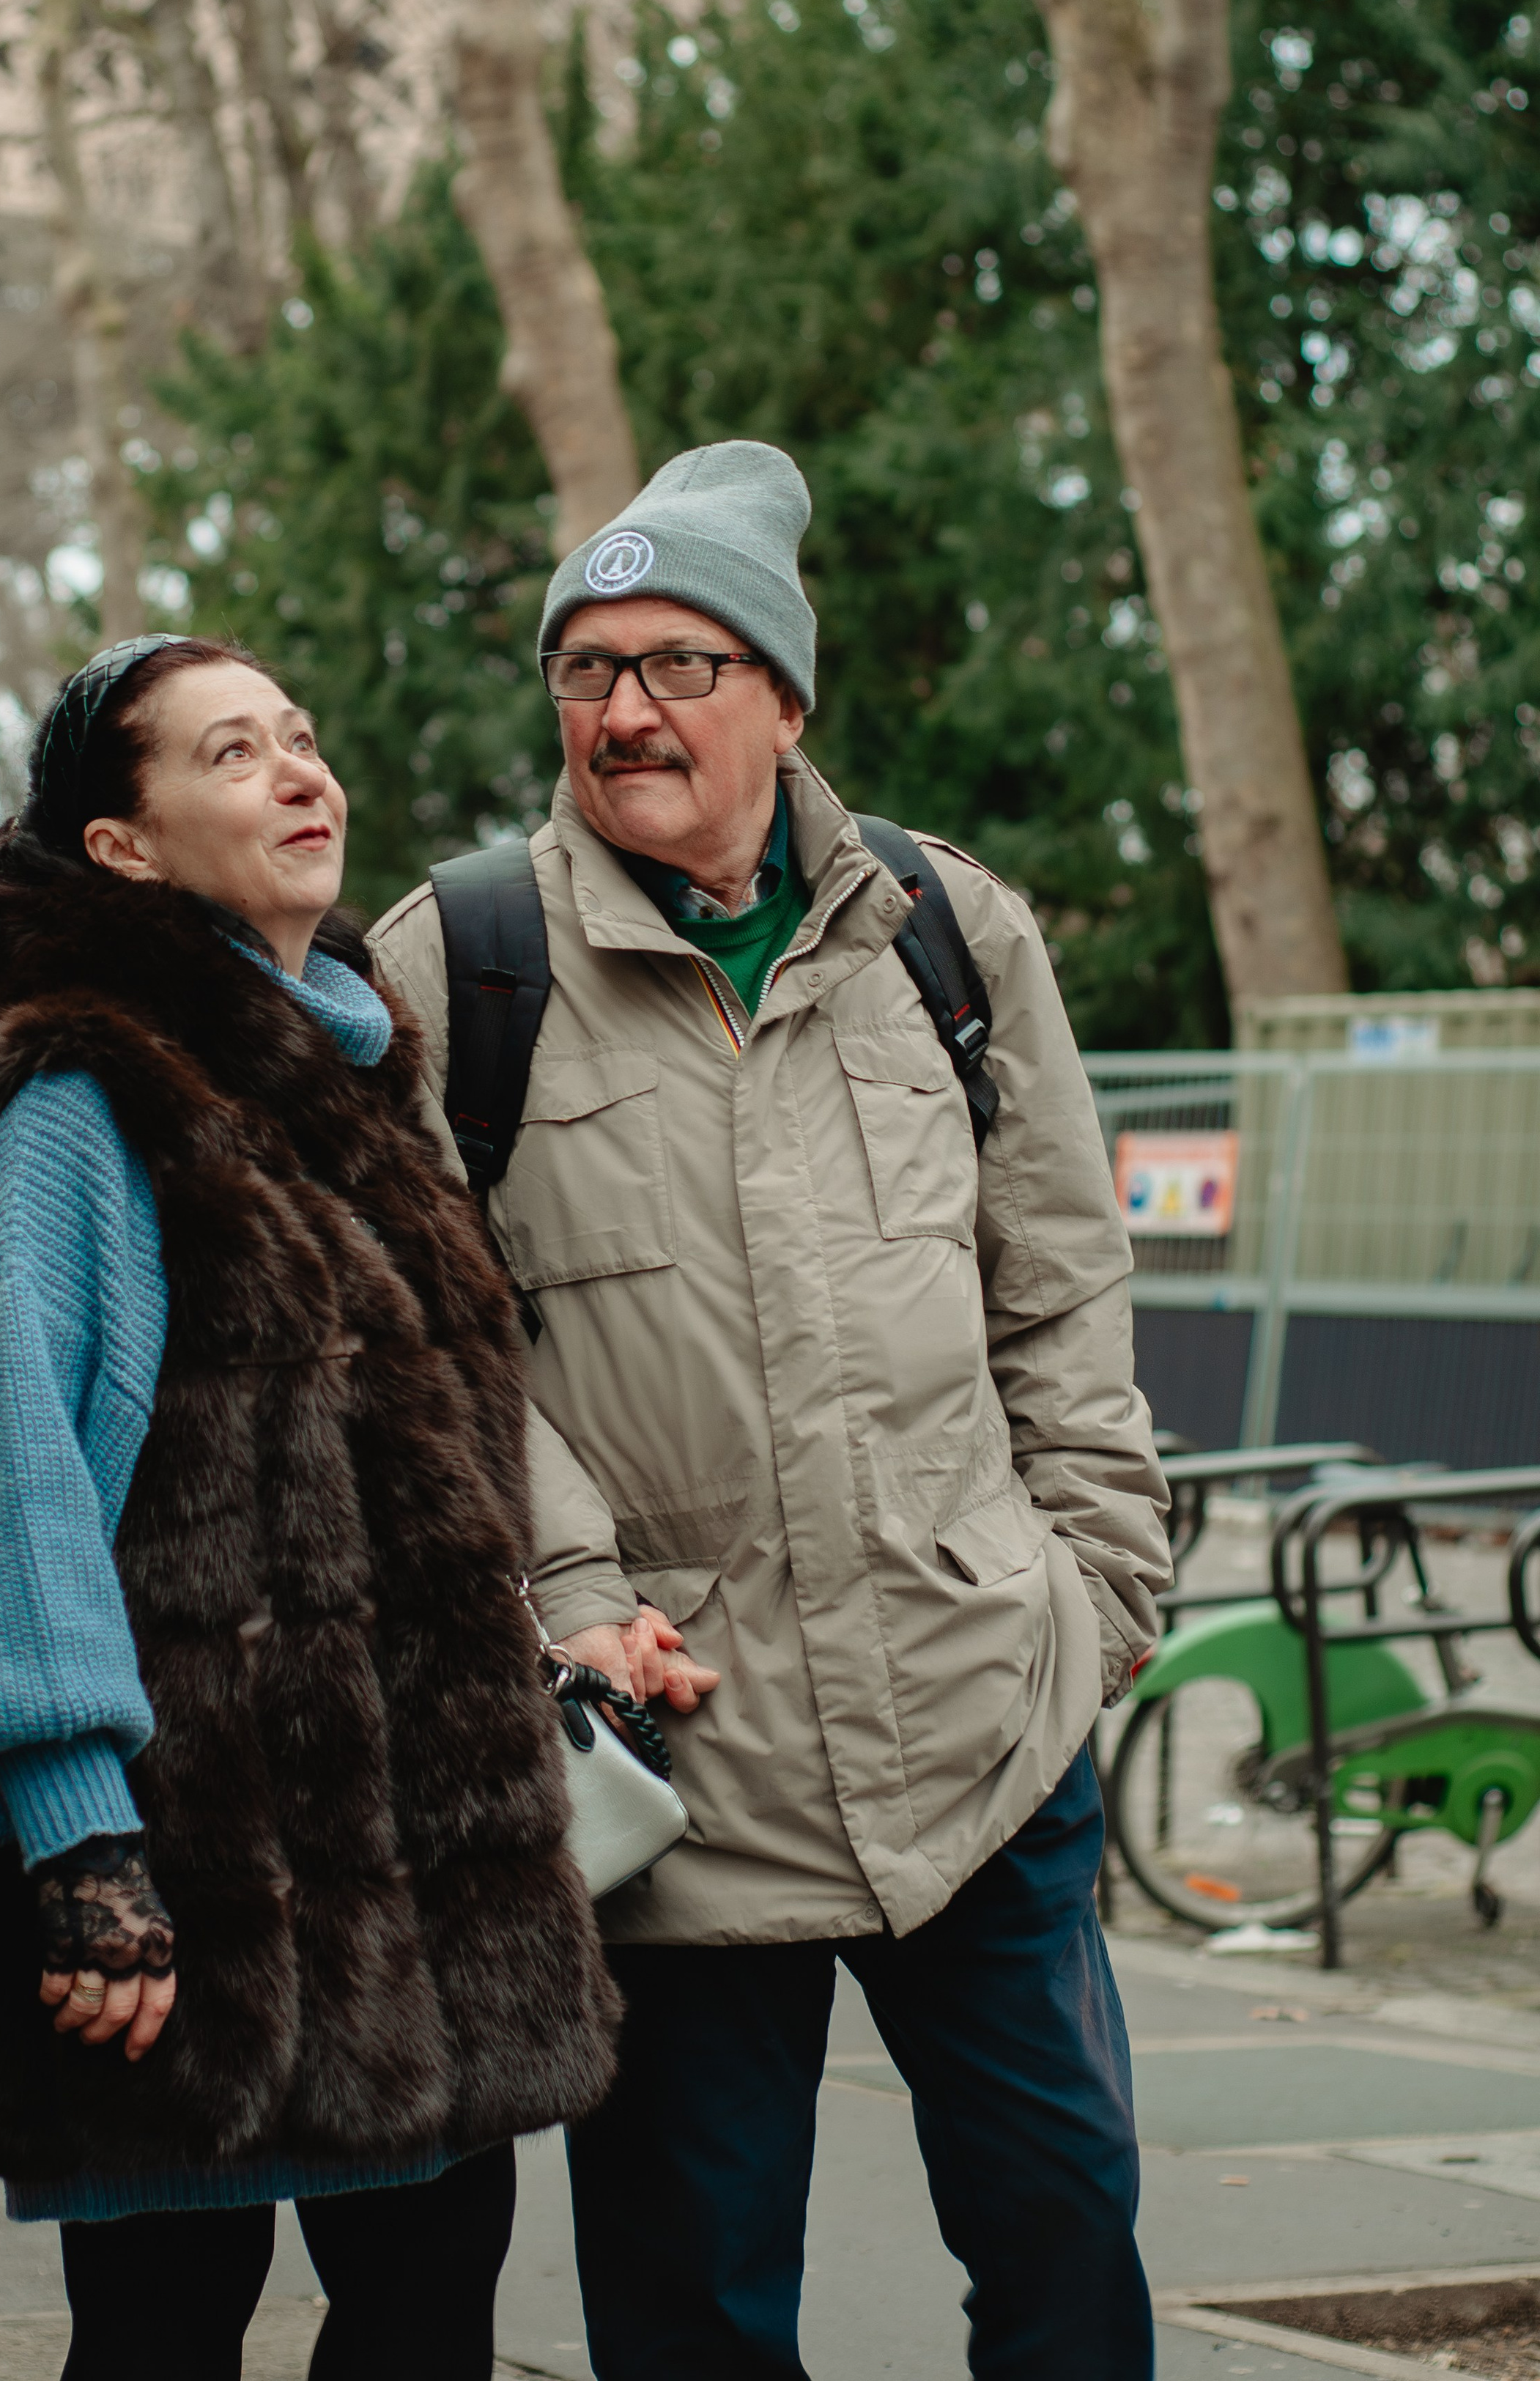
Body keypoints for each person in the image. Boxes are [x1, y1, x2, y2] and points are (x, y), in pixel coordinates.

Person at [371, 444, 1173, 2381]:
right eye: (588, 670)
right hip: (680, 1764)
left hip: (985, 1723)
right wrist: (566, 1594)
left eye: (680, 665)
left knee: (1067, 2241)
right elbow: (431, 1354)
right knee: (696, 2304)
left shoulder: (947, 938)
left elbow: (1058, 1282)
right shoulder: (462, 968)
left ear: (786, 702)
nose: (624, 709)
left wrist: (1098, 1584)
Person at [0, 633, 619, 2381]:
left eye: (302, 733)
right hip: (180, 1875)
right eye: (231, 749)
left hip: (417, 1864)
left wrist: (561, 1614)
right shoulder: (75, 1095)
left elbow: (420, 1458)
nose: (298, 772)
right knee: (162, 2334)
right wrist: (79, 1843)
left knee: (429, 2311)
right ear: (122, 842)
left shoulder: (351, 1081)